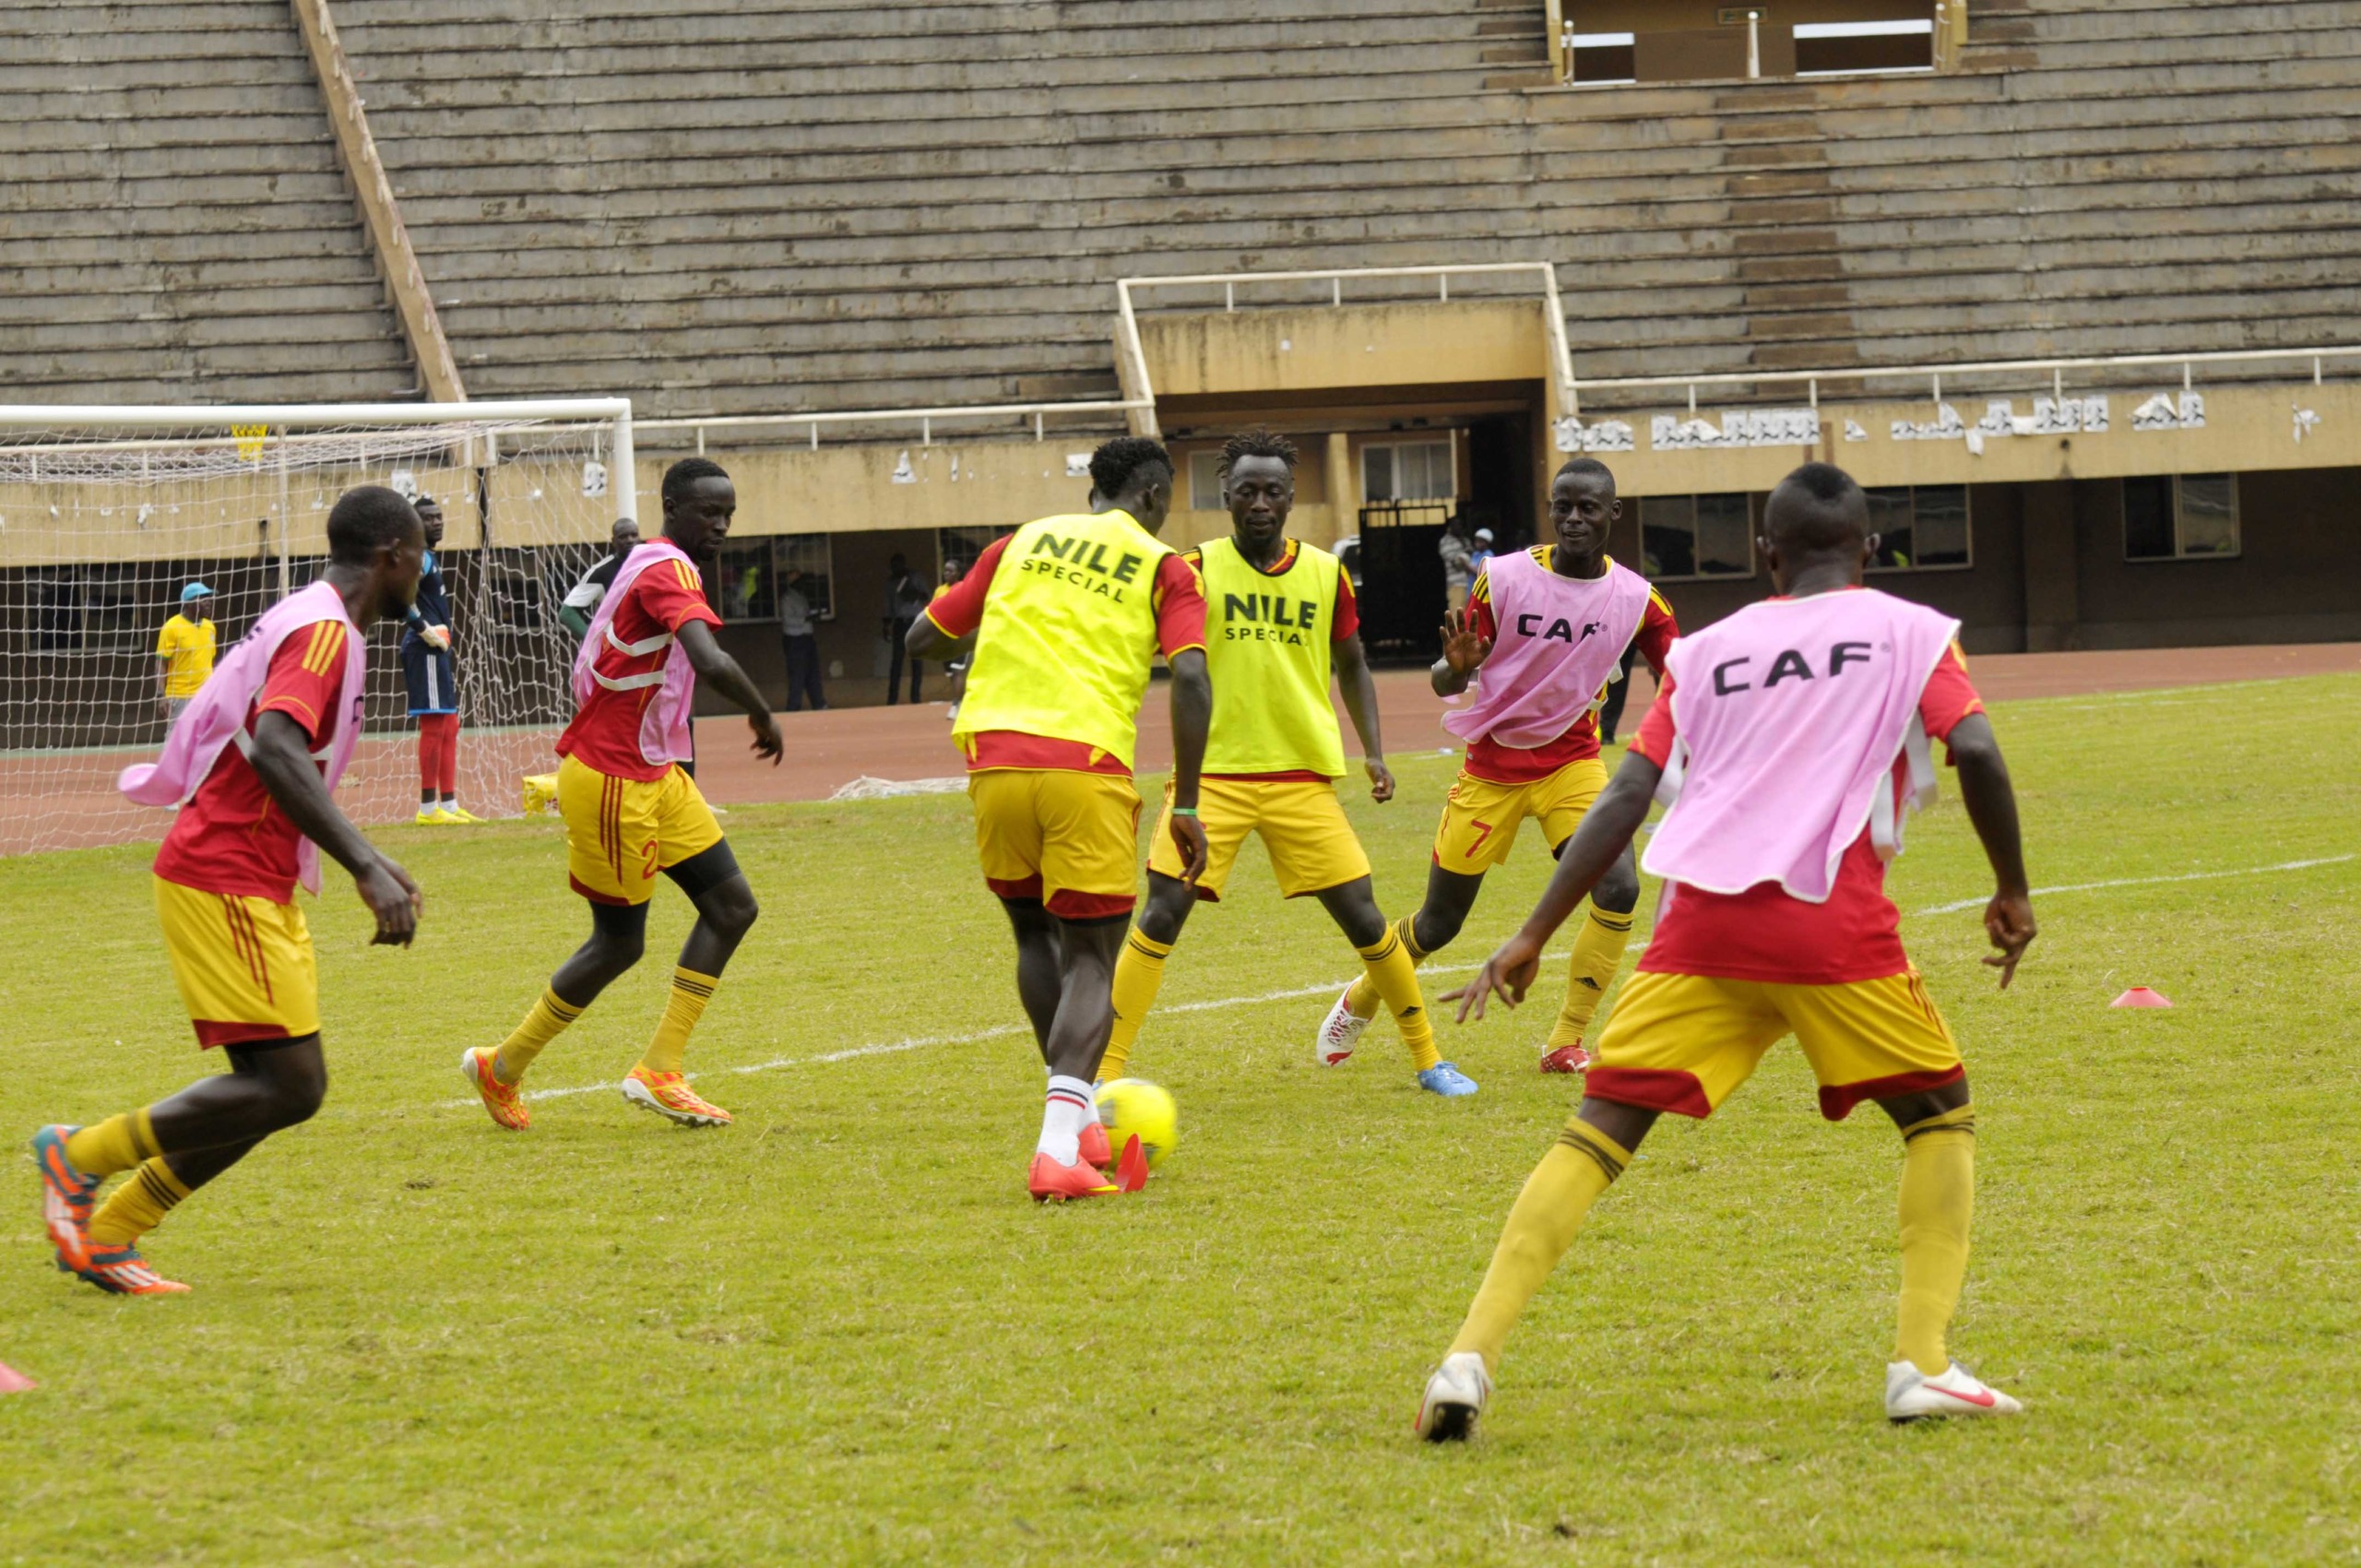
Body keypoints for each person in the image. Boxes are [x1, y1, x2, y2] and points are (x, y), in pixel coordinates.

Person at [1414, 461, 2037, 1438]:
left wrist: (1533, 929)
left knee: (1597, 1132)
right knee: (1939, 1116)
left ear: (1765, 554)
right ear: (1868, 550)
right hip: (1830, 925)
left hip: (1696, 929)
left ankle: (1465, 1357)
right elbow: (1983, 754)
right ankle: (1920, 1362)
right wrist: (2010, 887)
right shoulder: (1911, 630)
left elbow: (1624, 793)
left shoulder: (1708, 651)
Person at [32, 487, 427, 1295]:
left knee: (277, 1090)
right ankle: (78, 1159)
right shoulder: (322, 632)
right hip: (225, 871)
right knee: (288, 1084)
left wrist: (369, 857)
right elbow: (278, 749)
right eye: (420, 555)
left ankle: (109, 1231)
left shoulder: (319, 619)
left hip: (248, 874)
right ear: (392, 555)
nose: (424, 571)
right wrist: (363, 864)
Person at [1095, 427, 1465, 1097]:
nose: (1260, 502)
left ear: (1292, 497)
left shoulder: (1326, 574)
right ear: (1225, 498)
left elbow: (1352, 664)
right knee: (1160, 914)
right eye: (1246, 491)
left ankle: (1428, 1058)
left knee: (1366, 918)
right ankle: (1103, 1070)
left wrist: (1374, 751)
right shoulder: (1193, 568)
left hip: (1300, 778)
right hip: (1212, 782)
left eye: (1273, 491)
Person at [907, 436, 1211, 1202]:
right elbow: (1193, 679)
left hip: (992, 759)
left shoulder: (1018, 544)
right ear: (1148, 493)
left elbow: (921, 637)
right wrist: (1194, 801)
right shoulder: (1166, 566)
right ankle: (1055, 1150)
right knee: (1093, 958)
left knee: (1032, 933)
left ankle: (1074, 1122)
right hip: (1083, 764)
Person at [1323, 457, 1677, 1076]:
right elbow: (1443, 678)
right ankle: (1362, 996)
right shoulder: (1505, 578)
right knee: (1439, 923)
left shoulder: (1637, 600)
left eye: (1588, 507)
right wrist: (1456, 668)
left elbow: (1684, 676)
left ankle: (1566, 1040)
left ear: (1613, 514)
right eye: (1562, 505)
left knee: (1618, 886)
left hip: (1574, 765)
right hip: (1491, 770)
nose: (1573, 518)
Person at [464, 457, 783, 1133]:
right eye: (707, 511)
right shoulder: (666, 568)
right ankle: (504, 1065)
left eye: (729, 512)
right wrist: (760, 711)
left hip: (655, 773)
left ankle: (660, 1068)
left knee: (731, 907)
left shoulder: (652, 559)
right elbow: (707, 657)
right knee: (617, 944)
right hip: (613, 778)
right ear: (671, 505)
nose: (721, 523)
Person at [402, 497, 476, 825]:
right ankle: (427, 809)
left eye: (439, 517)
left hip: (437, 649)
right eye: (429, 518)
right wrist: (425, 630)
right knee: (434, 726)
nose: (437, 522)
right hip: (424, 648)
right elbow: (399, 596)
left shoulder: (429, 556)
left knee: (450, 725)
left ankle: (448, 804)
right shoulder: (417, 557)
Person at [558, 517, 643, 641]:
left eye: (634, 535)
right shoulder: (600, 572)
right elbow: (567, 612)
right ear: (613, 541)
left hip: (656, 645)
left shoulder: (651, 564)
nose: (630, 540)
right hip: (621, 649)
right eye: (623, 537)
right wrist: (593, 642)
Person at [155, 582, 218, 729]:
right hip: (180, 696)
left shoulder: (210, 627)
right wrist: (161, 696)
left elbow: (211, 661)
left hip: (206, 695)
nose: (209, 602)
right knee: (176, 742)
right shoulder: (171, 627)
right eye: (203, 598)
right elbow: (160, 664)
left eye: (209, 598)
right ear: (189, 603)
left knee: (205, 741)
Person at [884, 553, 931, 705]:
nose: (896, 568)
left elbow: (927, 596)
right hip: (899, 623)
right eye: (893, 566)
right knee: (897, 661)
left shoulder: (915, 577)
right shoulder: (891, 583)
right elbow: (888, 606)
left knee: (916, 660)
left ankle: (915, 697)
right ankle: (892, 699)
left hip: (915, 621)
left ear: (904, 564)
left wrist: (914, 593)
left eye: (898, 565)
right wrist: (886, 625)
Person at [781, 566, 826, 712]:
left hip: (807, 639)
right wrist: (807, 618)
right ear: (793, 583)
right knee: (797, 675)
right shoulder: (787, 598)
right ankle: (793, 707)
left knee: (813, 672)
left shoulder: (802, 597)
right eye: (800, 581)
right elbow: (788, 620)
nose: (804, 584)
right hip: (795, 641)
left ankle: (819, 703)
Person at [1438, 517, 1476, 615]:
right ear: (1451, 527)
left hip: (1471, 584)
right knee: (1457, 617)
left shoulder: (1465, 540)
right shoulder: (1445, 541)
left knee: (1470, 616)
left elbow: (1474, 557)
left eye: (1461, 525)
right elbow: (1457, 562)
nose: (1460, 527)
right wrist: (1466, 554)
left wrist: (1464, 556)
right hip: (1457, 584)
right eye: (1457, 525)